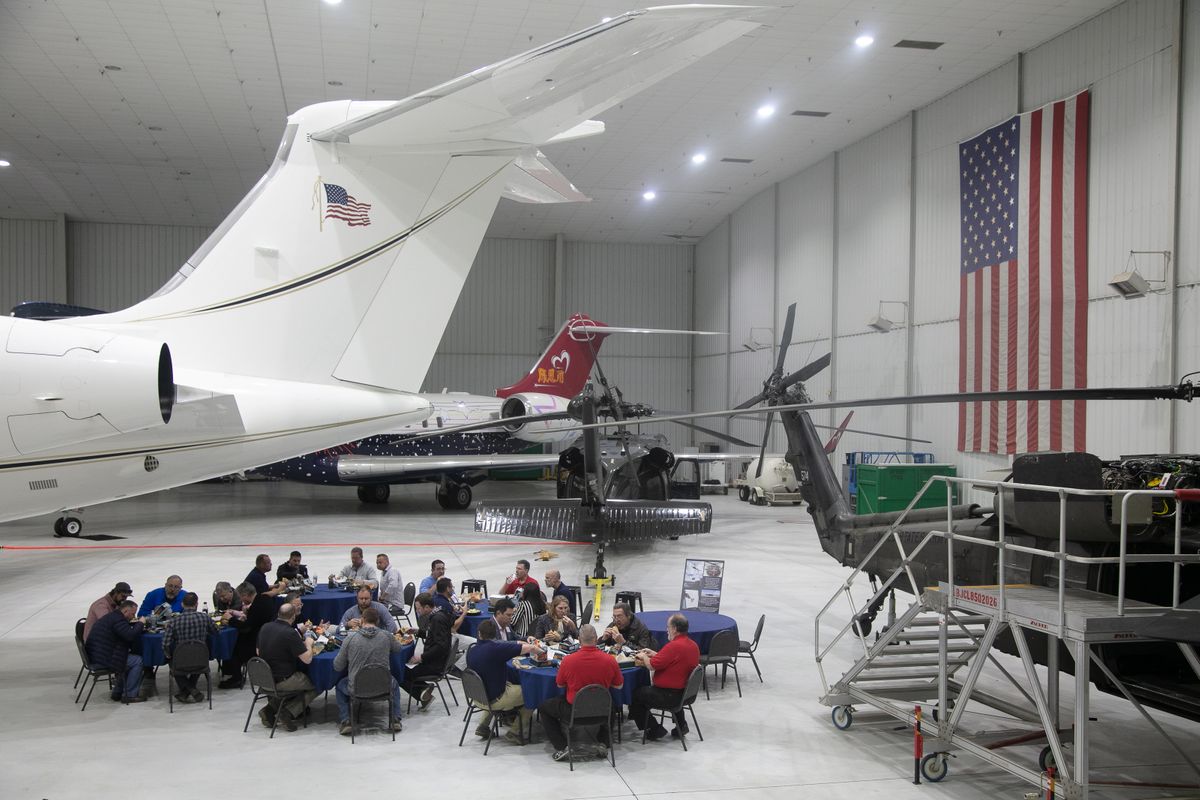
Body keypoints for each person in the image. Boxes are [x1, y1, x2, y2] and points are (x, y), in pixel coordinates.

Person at [537, 624, 623, 761]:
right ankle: (604, 743)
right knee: (611, 704)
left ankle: (562, 746)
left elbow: (559, 684)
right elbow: (619, 686)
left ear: (579, 640)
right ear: (596, 639)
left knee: (544, 707)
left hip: (573, 711)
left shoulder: (568, 661)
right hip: (602, 711)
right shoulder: (610, 660)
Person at [332, 606, 404, 735]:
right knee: (395, 684)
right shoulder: (386, 636)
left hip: (357, 687)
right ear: (377, 621)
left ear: (362, 620)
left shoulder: (350, 639)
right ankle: (395, 719)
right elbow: (398, 649)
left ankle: (346, 720)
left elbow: (337, 666)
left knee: (339, 686)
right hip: (383, 686)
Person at [465, 619, 539, 743]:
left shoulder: (472, 650)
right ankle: (516, 732)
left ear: (479, 634)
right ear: (495, 634)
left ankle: (483, 725)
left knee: (493, 687)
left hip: (478, 697)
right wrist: (538, 650)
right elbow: (525, 648)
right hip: (496, 699)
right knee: (533, 692)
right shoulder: (496, 649)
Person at [631, 613, 701, 740]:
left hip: (669, 696)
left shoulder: (674, 646)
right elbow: (674, 660)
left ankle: (653, 729)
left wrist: (644, 656)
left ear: (674, 629)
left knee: (636, 694)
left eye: (668, 627)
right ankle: (681, 725)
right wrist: (655, 654)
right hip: (684, 693)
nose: (666, 630)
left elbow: (652, 666)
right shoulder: (692, 645)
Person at [254, 603, 318, 731]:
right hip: (283, 680)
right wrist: (308, 643)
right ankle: (288, 712)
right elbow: (307, 659)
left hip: (264, 678)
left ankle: (268, 710)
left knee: (293, 684)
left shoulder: (265, 627)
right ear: (293, 617)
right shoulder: (289, 633)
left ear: (278, 614)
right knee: (317, 684)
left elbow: (258, 652)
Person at [86, 599, 146, 703]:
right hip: (103, 658)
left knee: (127, 657)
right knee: (138, 660)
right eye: (133, 613)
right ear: (125, 611)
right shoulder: (118, 620)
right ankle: (130, 695)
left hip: (97, 654)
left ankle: (118, 691)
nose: (133, 616)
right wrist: (140, 623)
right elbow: (129, 636)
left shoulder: (112, 617)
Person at [162, 591, 217, 704]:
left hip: (181, 660)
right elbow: (216, 631)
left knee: (172, 661)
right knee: (197, 656)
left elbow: (165, 644)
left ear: (182, 604)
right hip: (201, 659)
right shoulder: (205, 617)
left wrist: (168, 655)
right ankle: (192, 689)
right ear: (196, 604)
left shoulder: (174, 621)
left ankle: (188, 690)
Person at [401, 592, 452, 709]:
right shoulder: (437, 615)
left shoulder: (437, 620)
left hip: (435, 664)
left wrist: (421, 657)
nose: (417, 611)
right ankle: (424, 690)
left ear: (427, 607)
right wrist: (417, 631)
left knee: (400, 672)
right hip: (435, 660)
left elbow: (441, 646)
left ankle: (422, 694)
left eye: (418, 608)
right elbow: (432, 635)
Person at [220, 581, 275, 688]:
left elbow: (247, 627)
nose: (241, 600)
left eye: (241, 597)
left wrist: (231, 620)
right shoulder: (263, 599)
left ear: (245, 595)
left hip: (256, 642)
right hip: (265, 637)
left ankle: (236, 677)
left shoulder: (257, 606)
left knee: (233, 646)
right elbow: (253, 621)